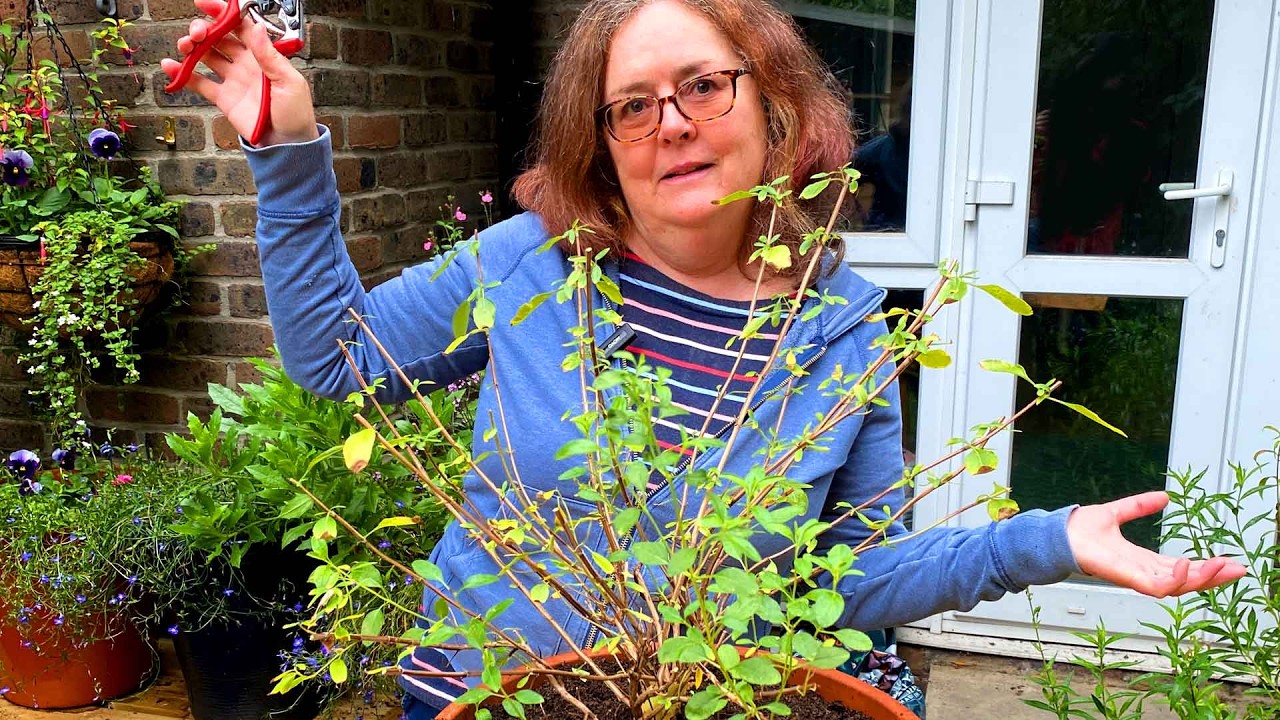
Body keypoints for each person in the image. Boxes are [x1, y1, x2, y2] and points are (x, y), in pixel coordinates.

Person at [164, 1, 1246, 718]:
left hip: (701, 700)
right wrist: (285, 145)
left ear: (774, 106)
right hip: (484, 695)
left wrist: (1043, 542)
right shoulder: (534, 264)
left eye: (701, 86)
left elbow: (850, 576)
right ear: (601, 142)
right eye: (631, 105)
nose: (668, 123)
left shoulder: (841, 332)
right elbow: (339, 361)